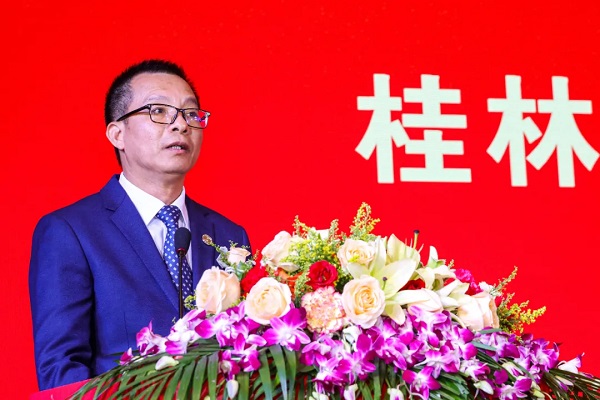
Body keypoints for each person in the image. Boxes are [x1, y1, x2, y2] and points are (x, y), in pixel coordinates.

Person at [29, 59, 250, 390]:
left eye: (191, 114)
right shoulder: (69, 232)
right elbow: (61, 371)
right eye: (159, 111)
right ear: (117, 134)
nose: (181, 125)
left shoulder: (229, 235)